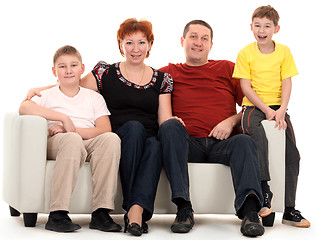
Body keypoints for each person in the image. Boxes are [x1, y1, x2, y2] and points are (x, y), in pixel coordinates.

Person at [26, 19, 180, 236]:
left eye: (141, 42)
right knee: (133, 129)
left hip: (144, 137)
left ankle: (133, 213)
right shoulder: (105, 73)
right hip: (121, 135)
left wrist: (176, 122)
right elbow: (71, 82)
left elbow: (164, 119)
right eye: (129, 43)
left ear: (150, 45)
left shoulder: (163, 79)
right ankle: (126, 209)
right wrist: (39, 90)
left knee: (154, 145)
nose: (135, 49)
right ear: (120, 45)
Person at [158, 20, 265, 237]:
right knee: (169, 126)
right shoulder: (167, 73)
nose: (198, 42)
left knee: (244, 141)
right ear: (182, 41)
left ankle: (251, 213)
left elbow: (251, 105)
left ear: (211, 45)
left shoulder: (227, 68)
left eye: (204, 38)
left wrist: (231, 121)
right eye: (193, 37)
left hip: (223, 144)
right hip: (188, 143)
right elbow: (134, 85)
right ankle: (184, 208)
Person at [19, 45, 122, 233]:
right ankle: (57, 214)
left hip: (83, 138)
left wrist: (72, 129)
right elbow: (24, 108)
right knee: (72, 140)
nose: (68, 71)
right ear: (54, 71)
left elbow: (104, 129)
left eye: (73, 65)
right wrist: (63, 119)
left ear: (82, 69)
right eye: (62, 66)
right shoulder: (46, 95)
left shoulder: (93, 97)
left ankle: (101, 212)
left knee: (111, 139)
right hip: (58, 141)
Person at [232, 5, 310, 228]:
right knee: (256, 137)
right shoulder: (245, 53)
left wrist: (282, 109)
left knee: (292, 154)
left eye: (267, 26)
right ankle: (264, 190)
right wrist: (266, 110)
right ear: (251, 27)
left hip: (279, 107)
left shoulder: (284, 51)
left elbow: (287, 81)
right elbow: (245, 88)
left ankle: (289, 209)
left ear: (276, 28)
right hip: (253, 107)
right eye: (257, 25)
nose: (262, 30)